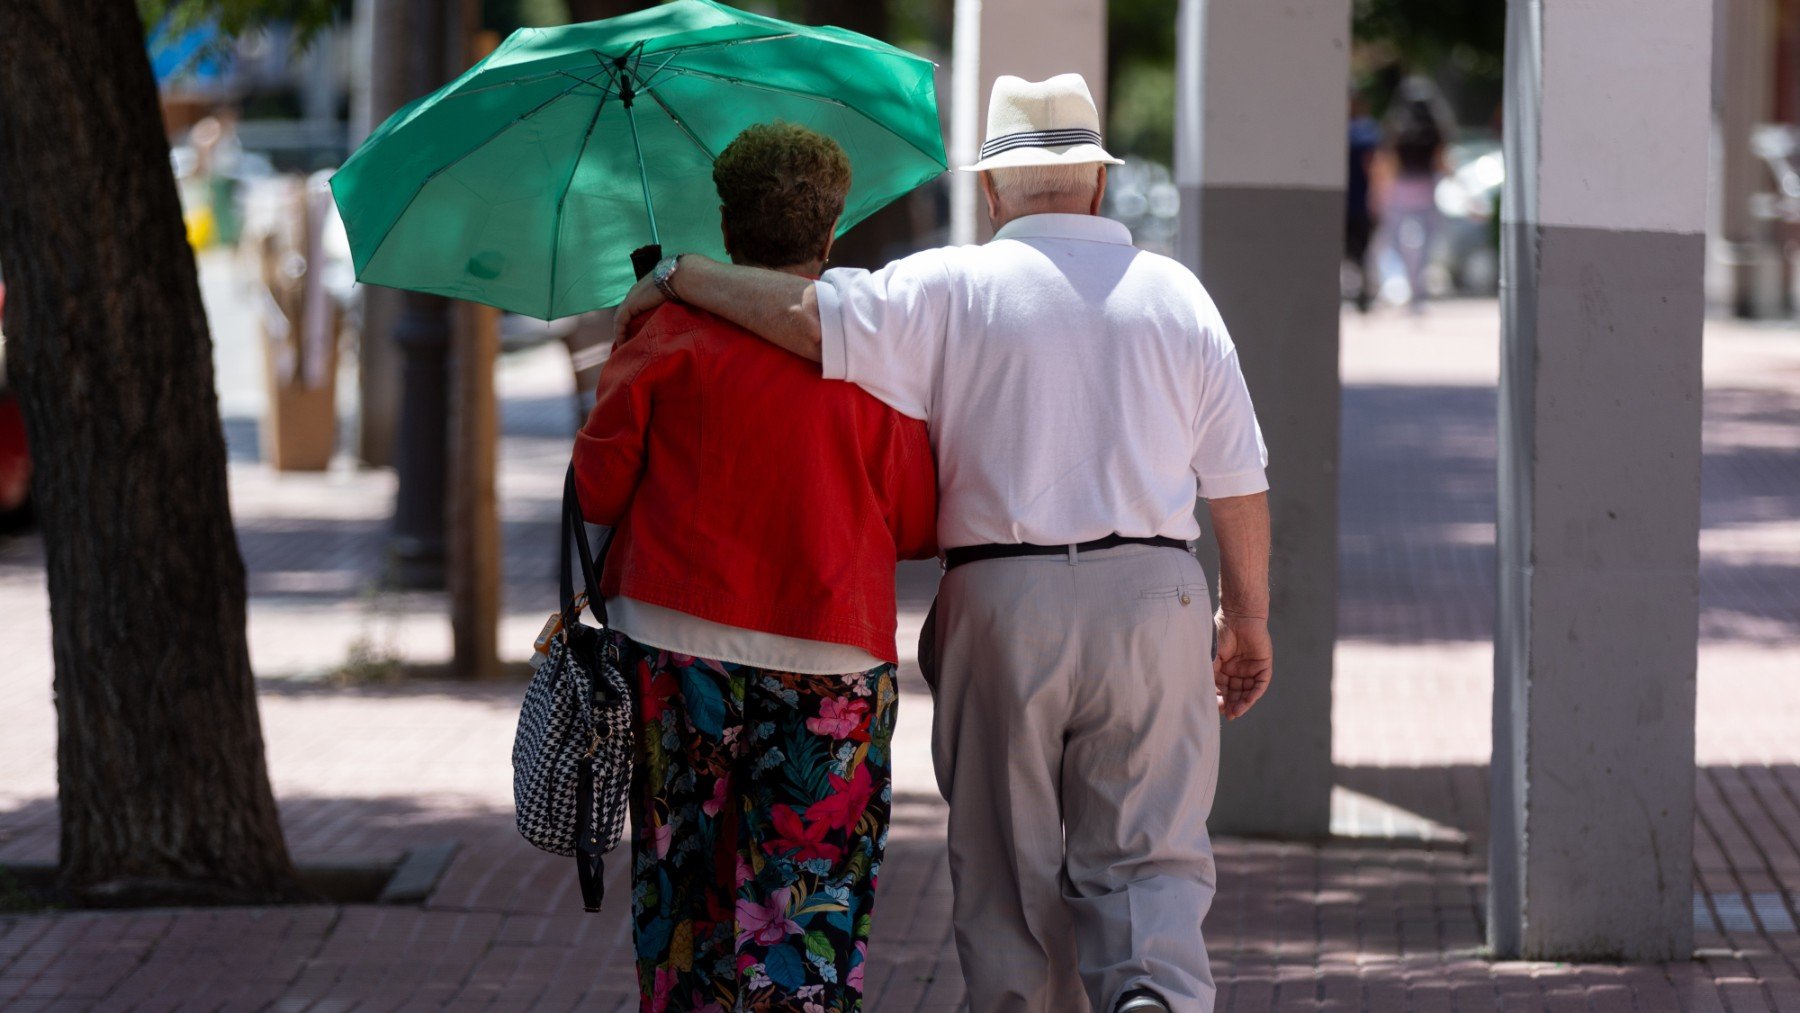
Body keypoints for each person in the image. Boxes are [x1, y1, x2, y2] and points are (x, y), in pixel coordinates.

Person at [614, 74, 1274, 1013]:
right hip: (1155, 597)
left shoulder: (946, 284)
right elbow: (1239, 477)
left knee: (1009, 868)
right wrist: (1244, 617)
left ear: (993, 191)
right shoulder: (1178, 297)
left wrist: (682, 275)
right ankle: (1153, 993)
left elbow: (803, 319)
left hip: (1004, 603)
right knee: (1150, 851)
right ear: (1095, 185)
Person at [573, 121, 938, 1011]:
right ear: (830, 229)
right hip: (829, 659)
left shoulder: (667, 332)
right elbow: (920, 521)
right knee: (810, 903)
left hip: (676, 644)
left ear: (729, 228)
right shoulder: (873, 355)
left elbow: (596, 483)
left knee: (684, 897)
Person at [1377, 77, 1453, 312]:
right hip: (1426, 192)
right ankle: (1417, 292)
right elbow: (1442, 163)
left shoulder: (1397, 126)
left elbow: (1389, 163)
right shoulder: (1436, 129)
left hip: (1400, 192)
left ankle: (1400, 286)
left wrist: (1382, 193)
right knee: (1428, 244)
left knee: (1394, 243)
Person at [1345, 91, 1381, 313]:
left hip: (1353, 201)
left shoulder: (1352, 130)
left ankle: (1363, 291)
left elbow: (1374, 166)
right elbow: (1375, 166)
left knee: (1356, 251)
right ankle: (1363, 291)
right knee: (1362, 251)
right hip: (1360, 201)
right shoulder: (1367, 130)